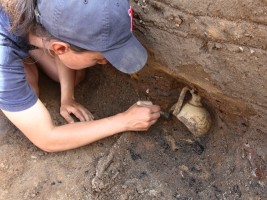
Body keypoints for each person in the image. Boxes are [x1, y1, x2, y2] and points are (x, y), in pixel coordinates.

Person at [0, 0, 161, 152]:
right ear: (59, 48)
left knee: (73, 76)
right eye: (98, 58)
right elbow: (47, 138)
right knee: (30, 89)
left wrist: (67, 96)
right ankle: (22, 58)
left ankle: (27, 49)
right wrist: (124, 121)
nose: (105, 63)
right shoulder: (3, 59)